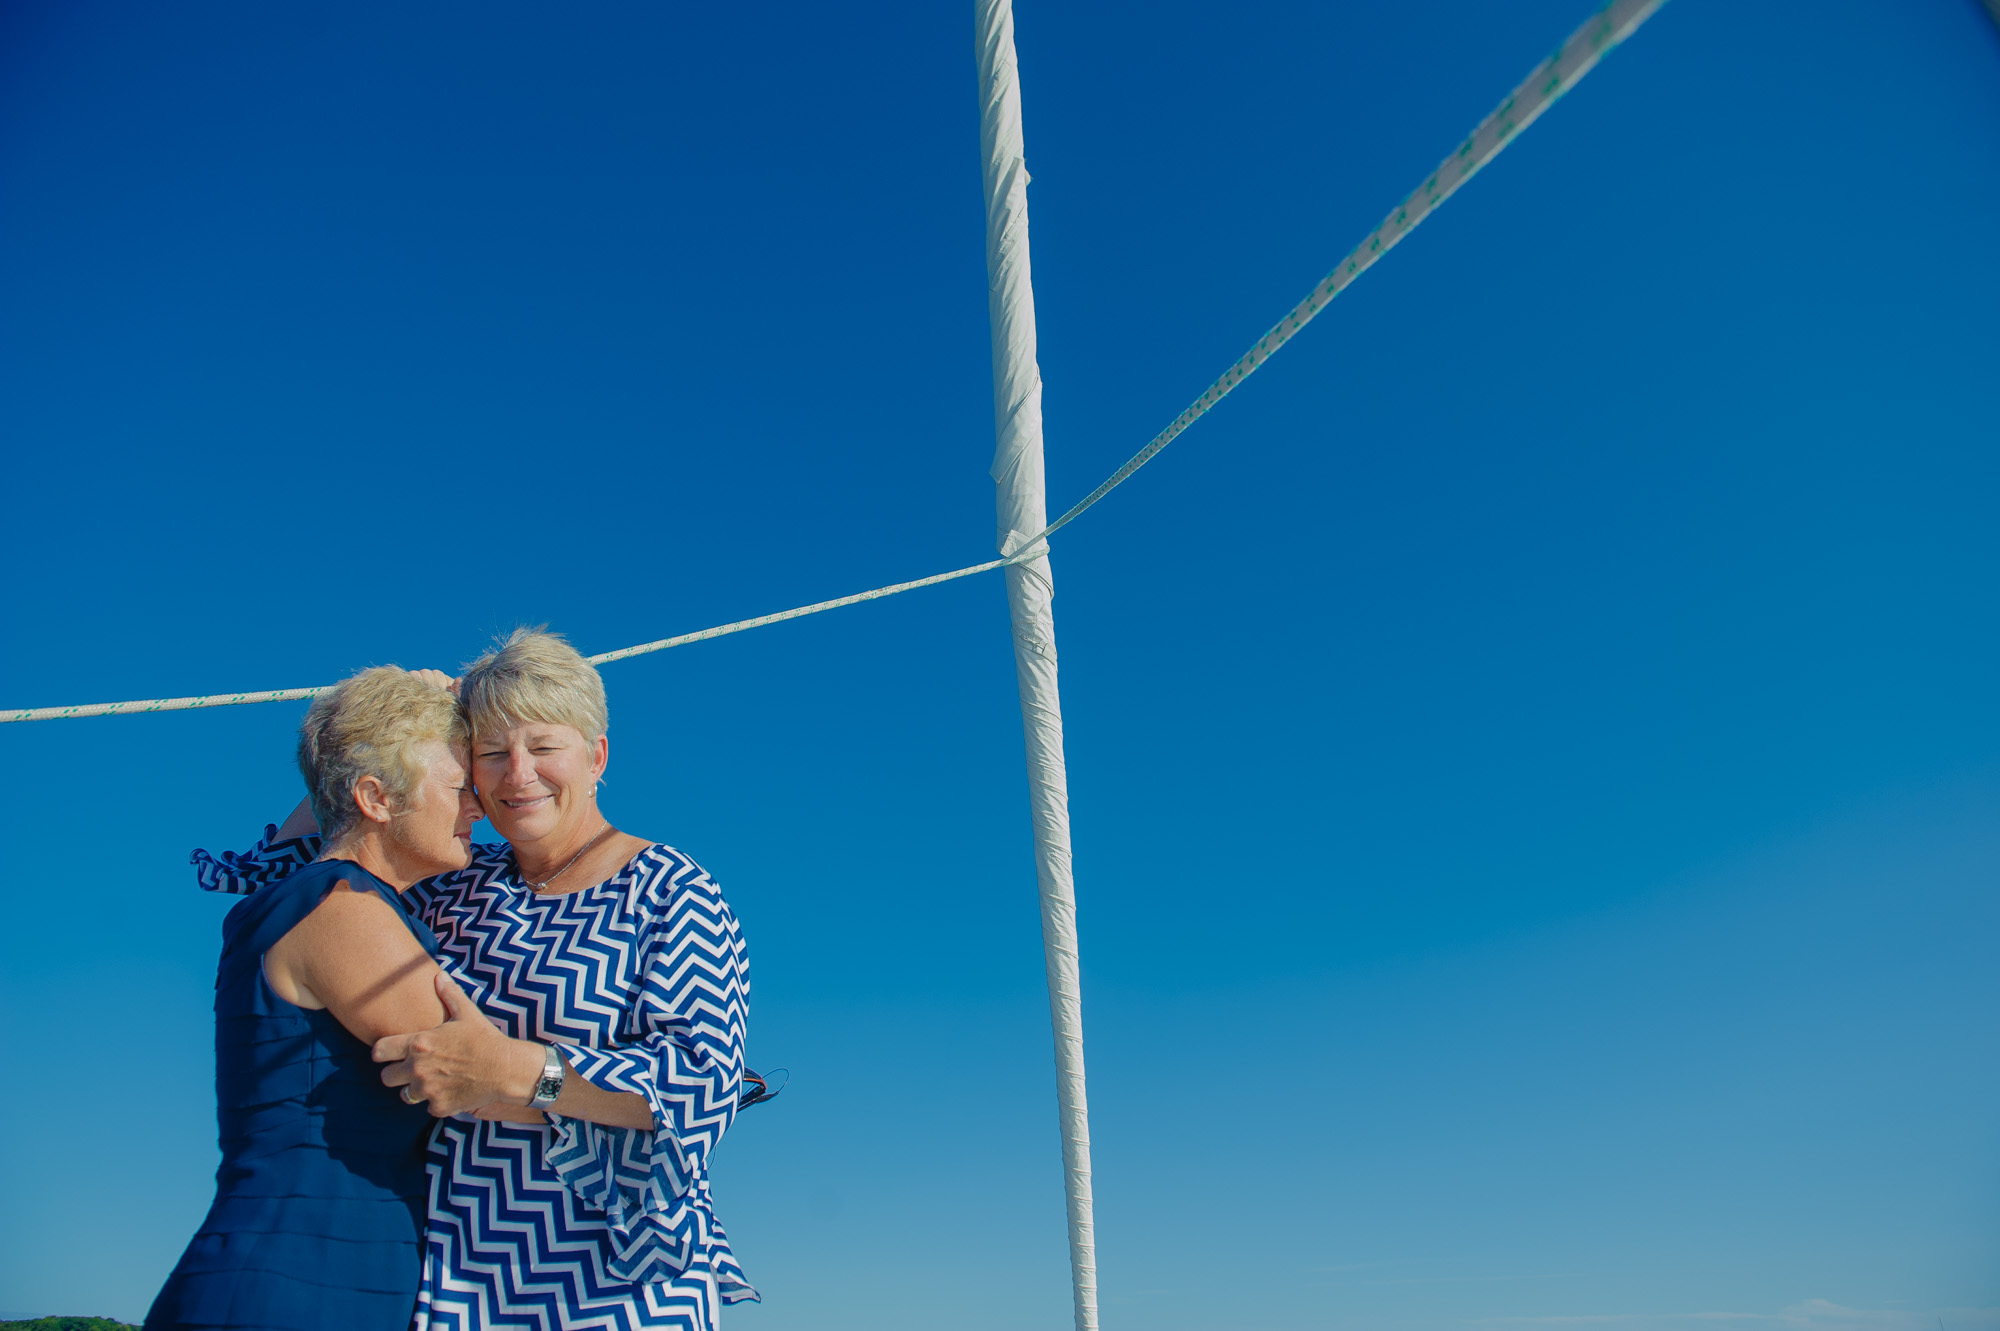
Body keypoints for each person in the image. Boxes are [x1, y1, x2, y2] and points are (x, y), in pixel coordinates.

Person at [193, 628, 757, 1331]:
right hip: (452, 1282)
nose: (517, 773)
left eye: (543, 745)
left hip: (616, 1284)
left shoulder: (673, 889)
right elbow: (296, 866)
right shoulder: (456, 879)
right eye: (491, 752)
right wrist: (395, 725)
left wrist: (522, 1071)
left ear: (597, 756)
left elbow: (702, 1084)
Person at [147, 666, 482, 1331]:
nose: (478, 806)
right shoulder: (341, 909)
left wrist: (406, 712)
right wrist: (664, 1084)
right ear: (376, 798)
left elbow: (324, 805)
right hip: (298, 1285)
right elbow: (488, 1078)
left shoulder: (312, 896)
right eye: (459, 787)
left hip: (315, 1280)